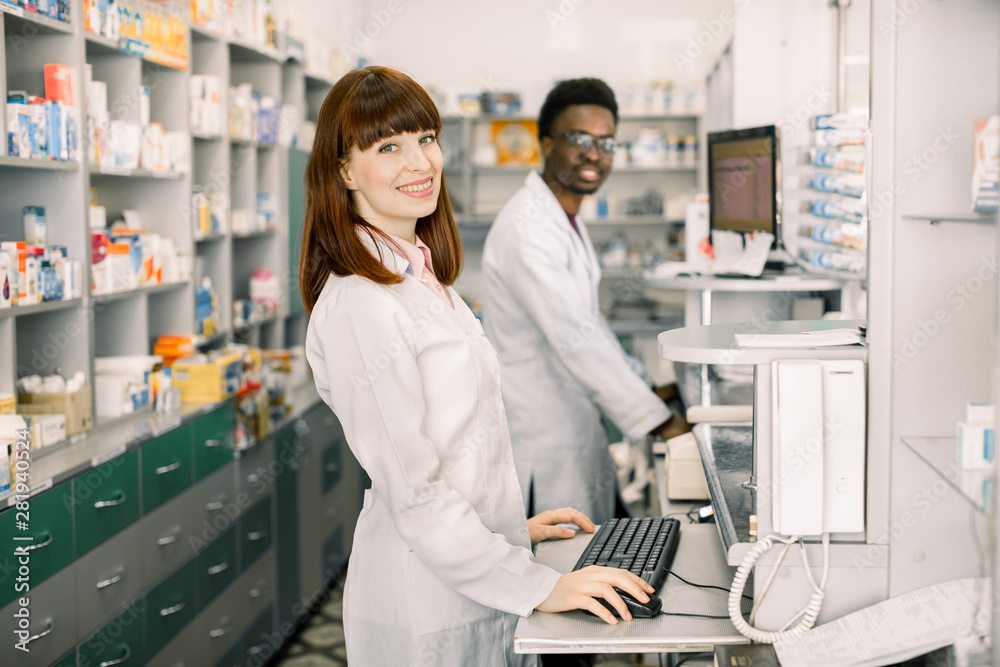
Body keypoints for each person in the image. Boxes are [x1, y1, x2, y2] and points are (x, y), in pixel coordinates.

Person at [301, 66, 656, 667]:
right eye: (389, 147)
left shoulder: (423, 276)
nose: (420, 163)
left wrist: (512, 530)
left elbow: (459, 444)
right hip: (425, 603)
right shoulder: (361, 304)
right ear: (343, 169)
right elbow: (414, 493)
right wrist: (542, 584)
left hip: (474, 574)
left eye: (426, 139)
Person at [482, 78, 690, 526]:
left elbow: (590, 327)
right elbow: (576, 339)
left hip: (574, 427)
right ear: (545, 144)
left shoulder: (565, 220)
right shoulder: (528, 226)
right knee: (558, 578)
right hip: (543, 439)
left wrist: (650, 389)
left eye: (605, 141)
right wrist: (660, 421)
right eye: (579, 139)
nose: (594, 153)